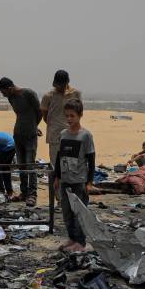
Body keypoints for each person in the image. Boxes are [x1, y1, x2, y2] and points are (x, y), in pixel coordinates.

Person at [53, 99, 95, 252]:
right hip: (65, 180)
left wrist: (89, 182)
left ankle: (80, 242)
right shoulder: (63, 134)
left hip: (79, 181)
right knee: (67, 212)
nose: (69, 119)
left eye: (72, 116)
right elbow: (59, 157)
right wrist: (57, 177)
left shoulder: (86, 136)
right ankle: (72, 238)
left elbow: (91, 159)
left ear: (80, 115)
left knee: (79, 213)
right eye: (67, 116)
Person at [0, 77, 42, 207]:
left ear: (10, 88)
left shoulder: (28, 94)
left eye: (3, 92)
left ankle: (32, 195)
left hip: (30, 136)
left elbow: (39, 113)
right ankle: (24, 192)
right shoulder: (11, 98)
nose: (3, 95)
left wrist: (33, 126)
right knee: (21, 165)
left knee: (30, 165)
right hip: (18, 134)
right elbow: (20, 115)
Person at [40, 70, 82, 179]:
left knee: (71, 164)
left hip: (73, 134)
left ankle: (69, 192)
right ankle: (58, 193)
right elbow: (45, 115)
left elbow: (79, 112)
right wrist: (53, 125)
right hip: (55, 135)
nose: (59, 87)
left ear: (67, 82)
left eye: (62, 85)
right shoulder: (48, 96)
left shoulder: (75, 94)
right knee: (55, 164)